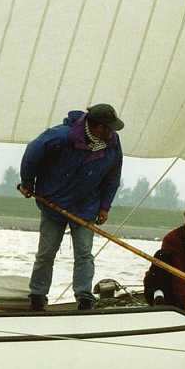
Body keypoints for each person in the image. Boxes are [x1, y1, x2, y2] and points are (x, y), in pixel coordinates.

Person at [19, 103, 124, 311]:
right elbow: (32, 153)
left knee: (84, 254)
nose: (112, 132)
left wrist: (105, 207)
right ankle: (38, 296)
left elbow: (113, 176)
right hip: (54, 203)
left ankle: (84, 297)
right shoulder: (60, 136)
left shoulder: (112, 143)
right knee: (46, 252)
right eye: (108, 128)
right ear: (97, 127)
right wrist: (27, 182)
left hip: (86, 207)